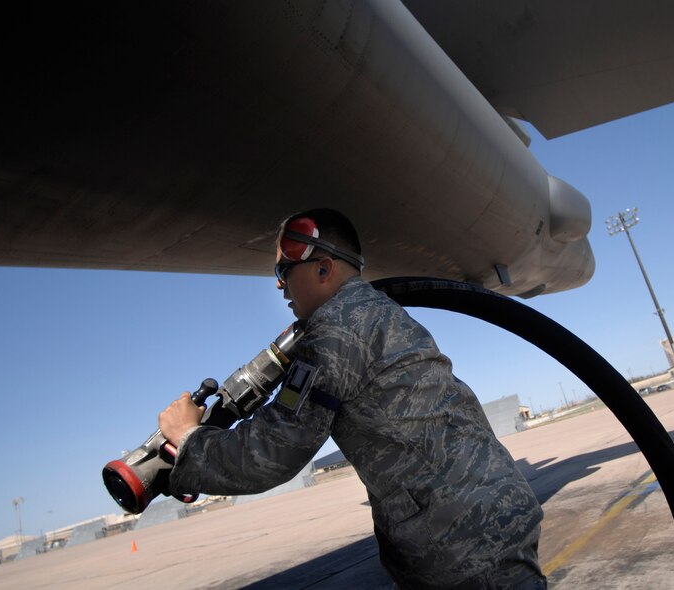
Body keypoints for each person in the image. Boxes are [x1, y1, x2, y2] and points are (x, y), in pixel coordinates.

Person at [159, 208, 546, 589]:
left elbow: (273, 452)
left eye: (283, 272)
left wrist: (190, 438)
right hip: (496, 516)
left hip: (458, 547)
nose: (279, 286)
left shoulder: (334, 335)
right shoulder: (380, 312)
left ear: (324, 269)